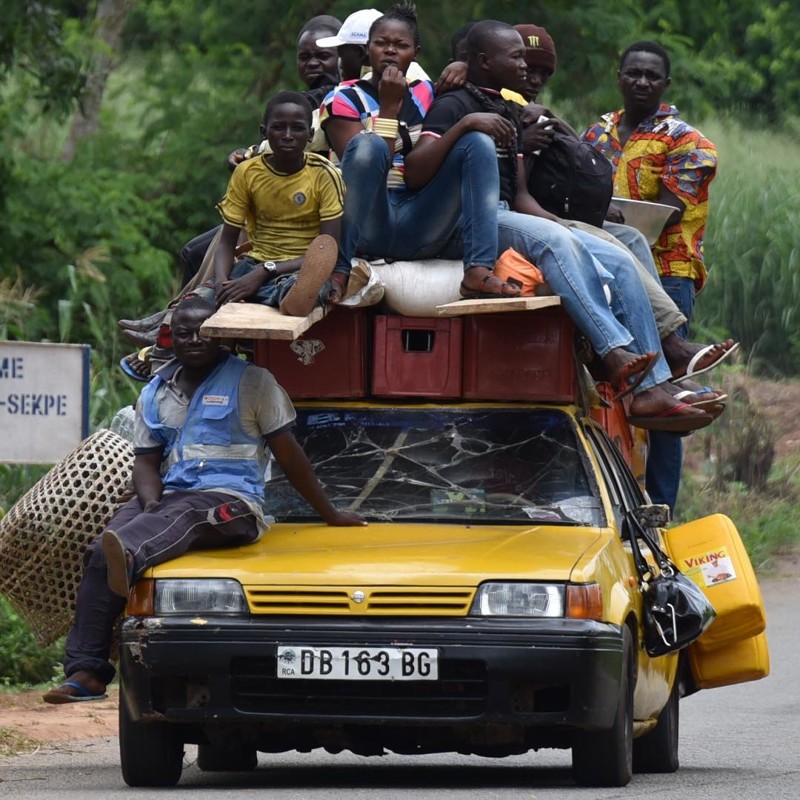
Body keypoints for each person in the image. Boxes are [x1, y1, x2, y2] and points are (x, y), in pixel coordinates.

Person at [43, 294, 366, 704]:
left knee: (170, 524)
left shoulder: (253, 382)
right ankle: (86, 673)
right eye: (183, 333)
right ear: (171, 340)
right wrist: (150, 500)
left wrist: (330, 514)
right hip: (168, 500)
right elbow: (145, 462)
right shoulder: (154, 392)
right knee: (97, 553)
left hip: (232, 505)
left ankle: (128, 554)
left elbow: (291, 458)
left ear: (220, 336)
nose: (193, 339)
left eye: (202, 331)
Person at [404, 20, 714, 433]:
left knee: (618, 259)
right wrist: (465, 126)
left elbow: (519, 193)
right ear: (482, 61)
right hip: (468, 222)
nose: (524, 66)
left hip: (507, 212)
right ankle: (615, 353)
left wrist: (567, 226)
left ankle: (650, 390)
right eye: (515, 58)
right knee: (555, 242)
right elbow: (414, 174)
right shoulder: (453, 106)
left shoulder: (503, 111)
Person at [582, 41, 726, 511]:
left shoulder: (687, 141)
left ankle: (661, 506)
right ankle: (613, 500)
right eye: (634, 73)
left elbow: (663, 212)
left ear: (665, 84)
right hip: (602, 269)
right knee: (610, 385)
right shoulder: (595, 135)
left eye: (651, 76)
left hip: (667, 273)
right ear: (619, 76)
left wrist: (593, 214)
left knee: (665, 394)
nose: (641, 82)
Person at [319, 2, 517, 297]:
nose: (390, 51)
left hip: (420, 219)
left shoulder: (425, 91)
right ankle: (340, 267)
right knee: (367, 143)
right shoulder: (342, 99)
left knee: (477, 140)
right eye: (381, 43)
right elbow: (367, 168)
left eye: (401, 45)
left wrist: (463, 66)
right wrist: (388, 107)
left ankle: (477, 269)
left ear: (415, 54)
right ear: (367, 50)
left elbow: (462, 87)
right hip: (371, 222)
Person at [212, 90, 347, 317]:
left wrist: (266, 271)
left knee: (300, 289)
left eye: (297, 128)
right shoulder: (247, 172)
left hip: (299, 269)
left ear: (310, 134)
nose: (287, 135)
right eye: (278, 127)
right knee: (195, 305)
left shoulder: (325, 174)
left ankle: (288, 297)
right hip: (253, 264)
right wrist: (220, 286)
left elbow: (327, 250)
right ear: (264, 133)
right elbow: (227, 242)